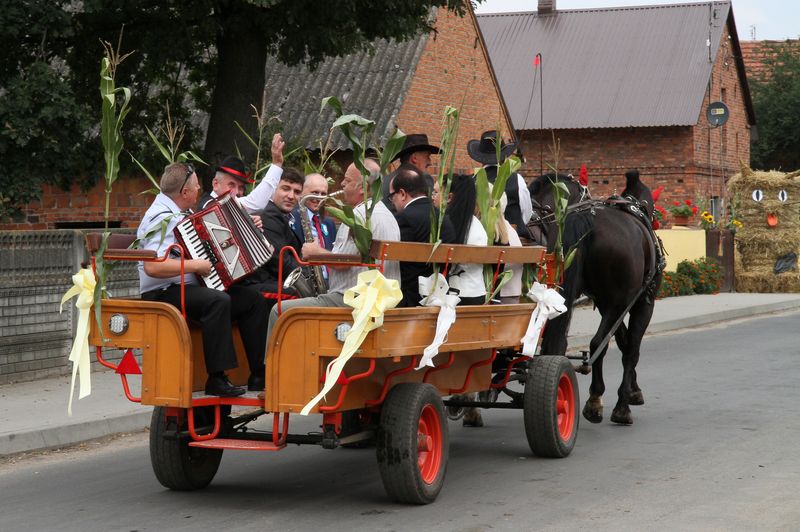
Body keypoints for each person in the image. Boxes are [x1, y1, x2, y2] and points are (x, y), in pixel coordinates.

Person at [136, 162, 269, 396]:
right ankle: (216, 378)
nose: (200, 191)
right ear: (185, 192)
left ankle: (259, 374)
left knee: (252, 300)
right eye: (197, 187)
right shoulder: (160, 218)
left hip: (187, 288)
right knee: (217, 301)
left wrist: (251, 224)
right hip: (163, 291)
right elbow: (153, 267)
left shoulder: (183, 214)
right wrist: (196, 265)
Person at [265, 159, 401, 342]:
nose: (342, 184)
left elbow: (345, 263)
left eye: (347, 180)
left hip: (351, 299)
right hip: (380, 301)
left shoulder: (358, 216)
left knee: (279, 310)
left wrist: (316, 253)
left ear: (361, 188)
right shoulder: (387, 215)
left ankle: (276, 370)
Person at [389, 167, 456, 307]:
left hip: (411, 299)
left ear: (402, 193)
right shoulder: (445, 219)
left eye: (392, 196)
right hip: (440, 296)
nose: (392, 202)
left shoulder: (403, 218)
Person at [246, 168, 305, 295]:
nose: (291, 196)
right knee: (301, 294)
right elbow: (280, 263)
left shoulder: (284, 216)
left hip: (274, 280)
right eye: (285, 188)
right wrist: (307, 281)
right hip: (261, 284)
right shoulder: (269, 215)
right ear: (273, 189)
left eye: (297, 192)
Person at [467, 130, 533, 240]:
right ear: (503, 155)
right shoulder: (516, 179)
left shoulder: (470, 182)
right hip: (513, 238)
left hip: (478, 239)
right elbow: (527, 213)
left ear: (480, 157)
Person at [197, 133, 286, 213]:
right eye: (231, 185)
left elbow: (256, 202)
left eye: (240, 187)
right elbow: (254, 203)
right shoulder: (208, 207)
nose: (236, 192)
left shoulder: (230, 203)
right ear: (215, 184)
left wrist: (251, 222)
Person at [445, 174, 488, 305]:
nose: (433, 197)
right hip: (476, 292)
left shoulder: (447, 223)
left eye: (436, 192)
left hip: (451, 295)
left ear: (449, 197)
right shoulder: (478, 225)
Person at [381, 134, 440, 212]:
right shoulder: (423, 179)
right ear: (414, 158)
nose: (430, 162)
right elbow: (425, 213)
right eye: (427, 156)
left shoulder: (384, 181)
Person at [289, 172, 337, 251]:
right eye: (314, 192)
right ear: (301, 192)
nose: (319, 198)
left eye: (323, 194)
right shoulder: (290, 218)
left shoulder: (329, 223)